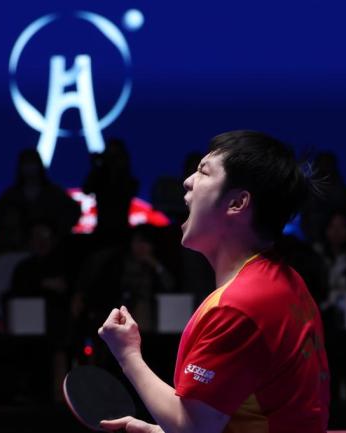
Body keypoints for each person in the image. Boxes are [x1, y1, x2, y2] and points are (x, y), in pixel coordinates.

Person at [97, 131, 330, 433]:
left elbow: (193, 428)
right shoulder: (284, 283)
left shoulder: (239, 306)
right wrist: (158, 430)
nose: (187, 181)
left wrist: (127, 354)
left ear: (237, 203)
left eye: (204, 172)